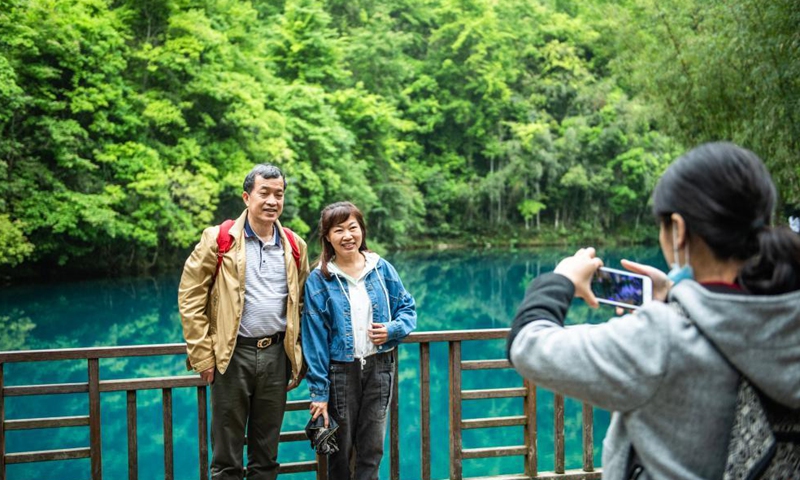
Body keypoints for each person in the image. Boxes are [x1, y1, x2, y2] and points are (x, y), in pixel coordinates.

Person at [507, 142, 800, 479]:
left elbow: (527, 345)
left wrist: (561, 280)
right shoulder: (788, 319)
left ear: (678, 229)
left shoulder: (664, 336)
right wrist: (676, 295)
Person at [178, 164, 310, 480]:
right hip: (231, 355)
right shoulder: (219, 239)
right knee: (226, 456)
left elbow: (304, 305)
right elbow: (190, 297)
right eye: (264, 193)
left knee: (267, 454)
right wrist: (203, 356)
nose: (272, 201)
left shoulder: (295, 246)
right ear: (247, 197)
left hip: (276, 356)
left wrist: (299, 357)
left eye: (279, 194)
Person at [302, 201, 417, 480]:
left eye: (352, 227)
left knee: (372, 449)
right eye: (338, 230)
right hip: (340, 372)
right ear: (327, 237)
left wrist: (391, 329)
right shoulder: (320, 278)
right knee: (339, 452)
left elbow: (407, 309)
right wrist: (319, 393)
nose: (347, 236)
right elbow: (314, 339)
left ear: (362, 230)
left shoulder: (381, 268)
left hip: (380, 367)